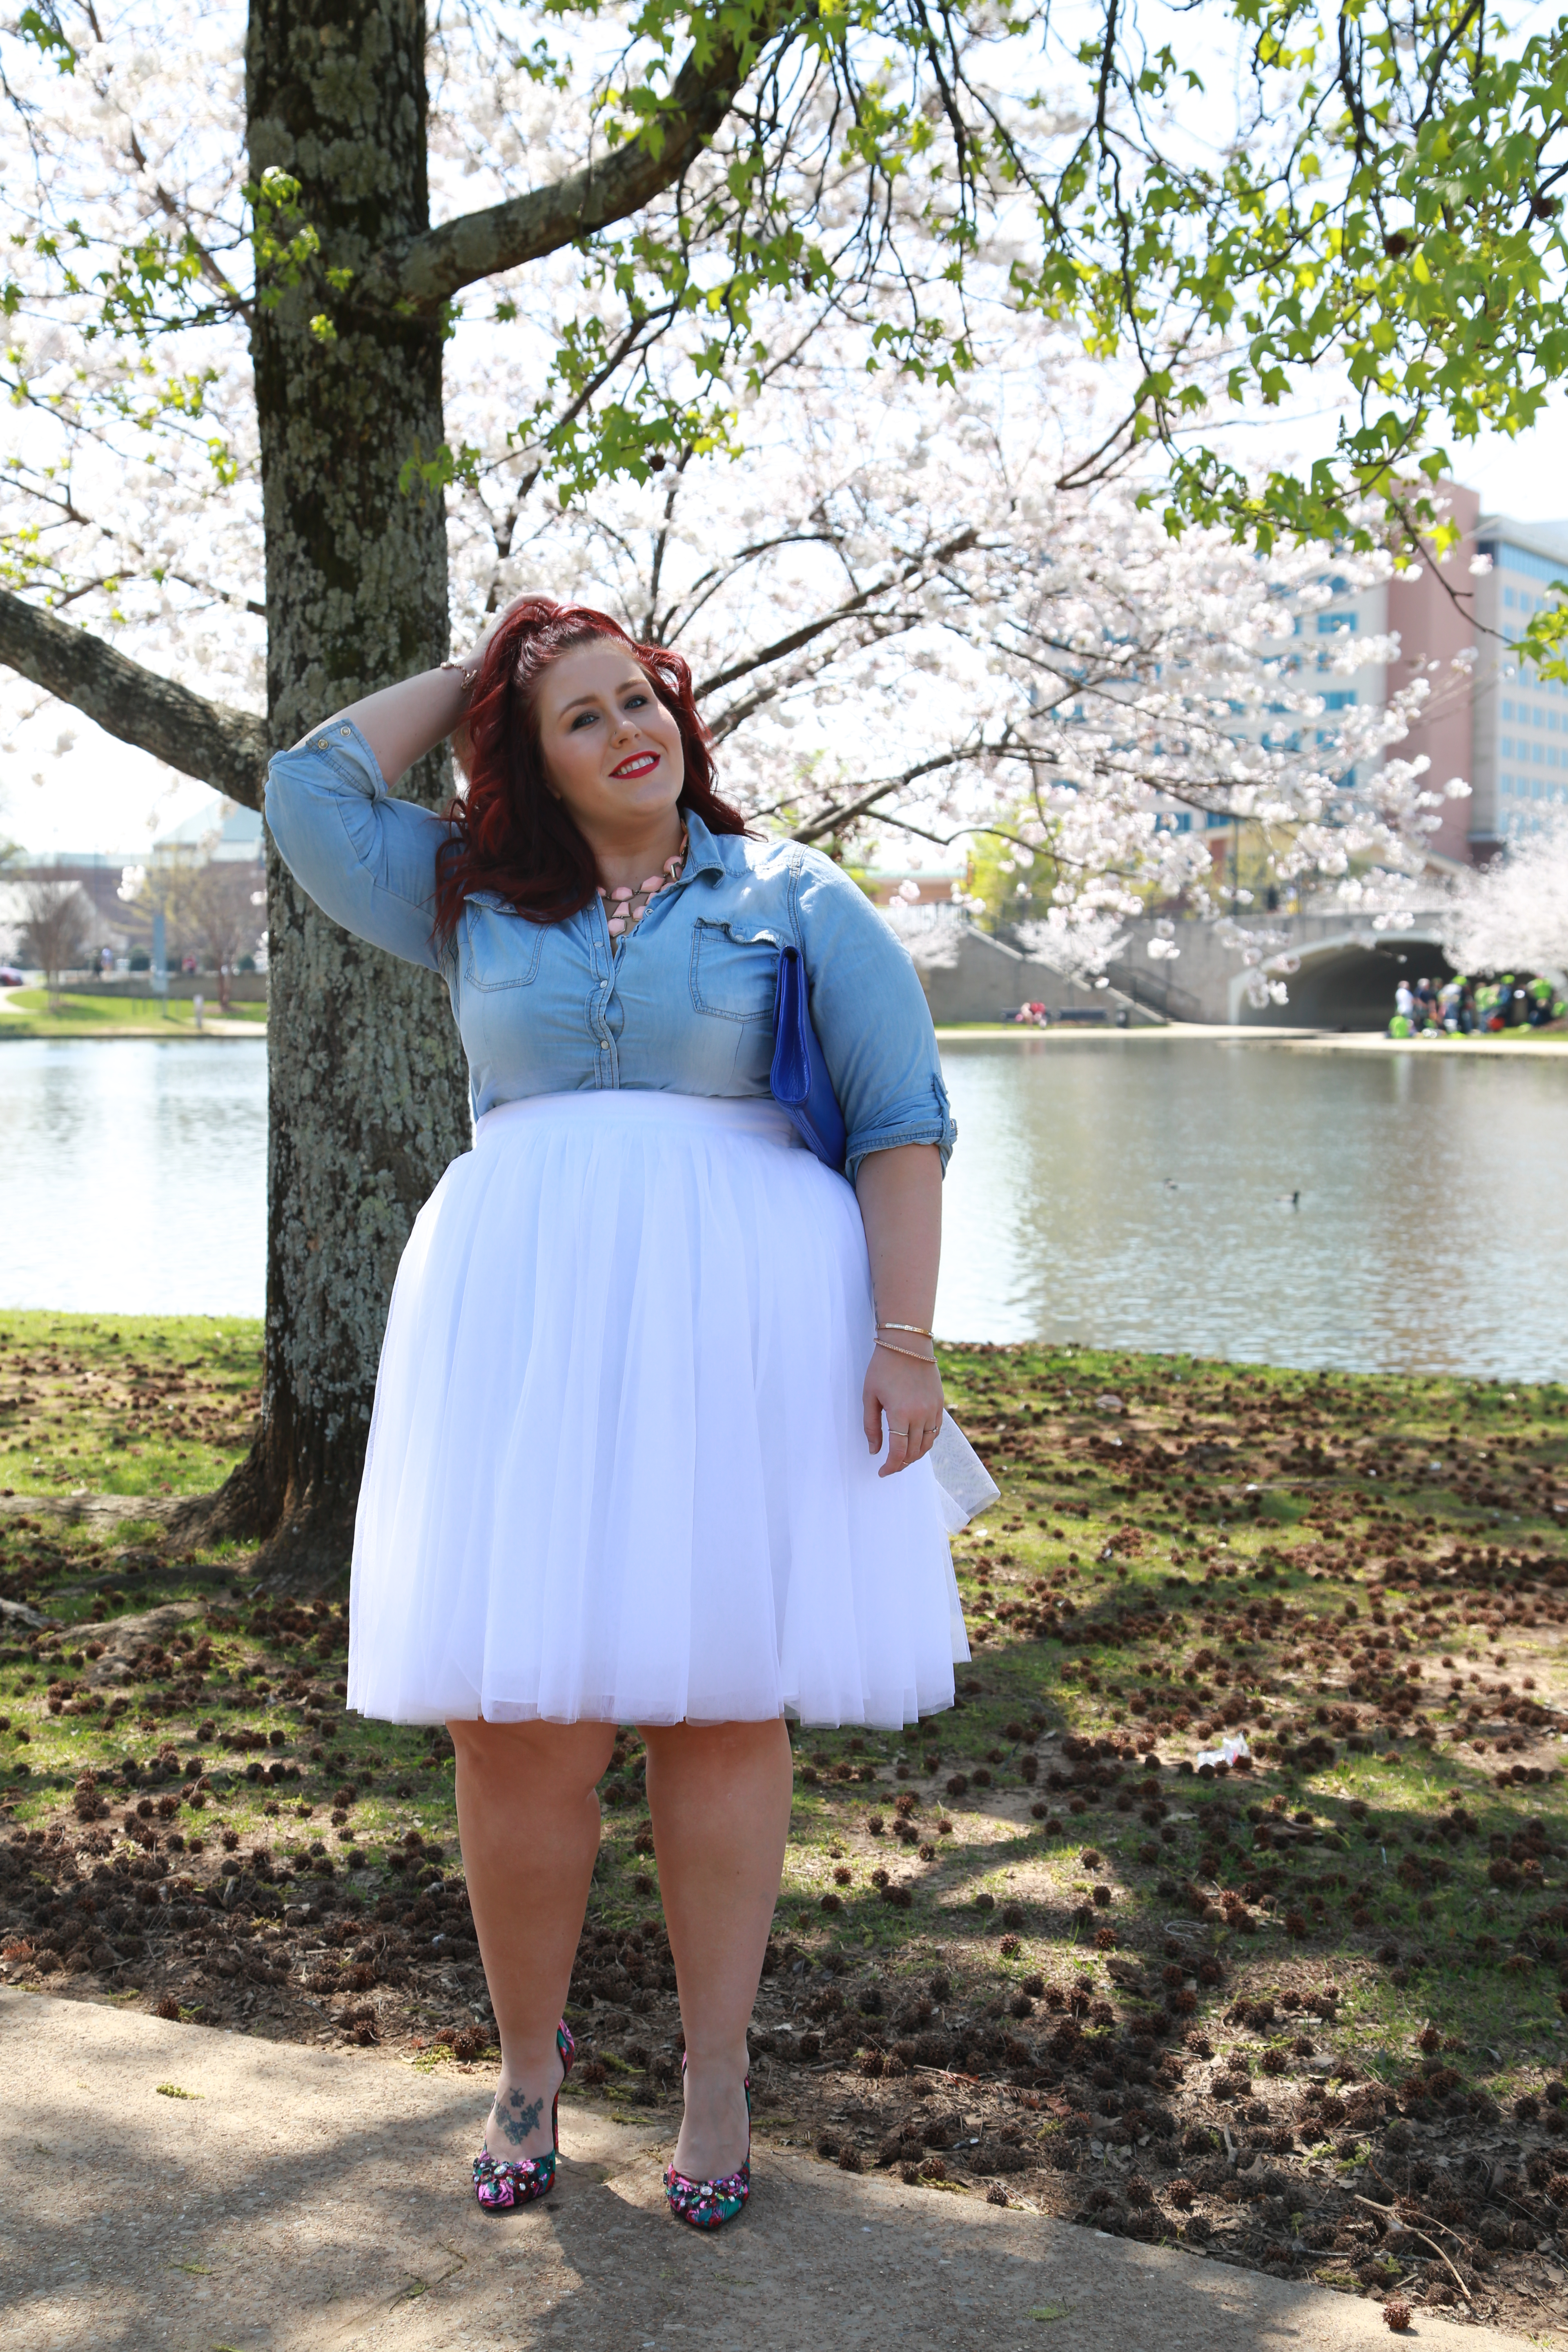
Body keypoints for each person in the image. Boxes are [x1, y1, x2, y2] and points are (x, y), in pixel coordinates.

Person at [263, 597, 982, 2234]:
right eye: (579, 717)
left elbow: (903, 1122)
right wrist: (488, 668)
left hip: (740, 1332)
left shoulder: (790, 893)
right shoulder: (466, 895)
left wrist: (908, 1340)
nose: (627, 727)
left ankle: (717, 2074)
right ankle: (529, 2065)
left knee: (722, 1701)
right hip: (524, 1333)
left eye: (638, 693)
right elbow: (309, 794)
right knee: (519, 1724)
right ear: (524, 760)